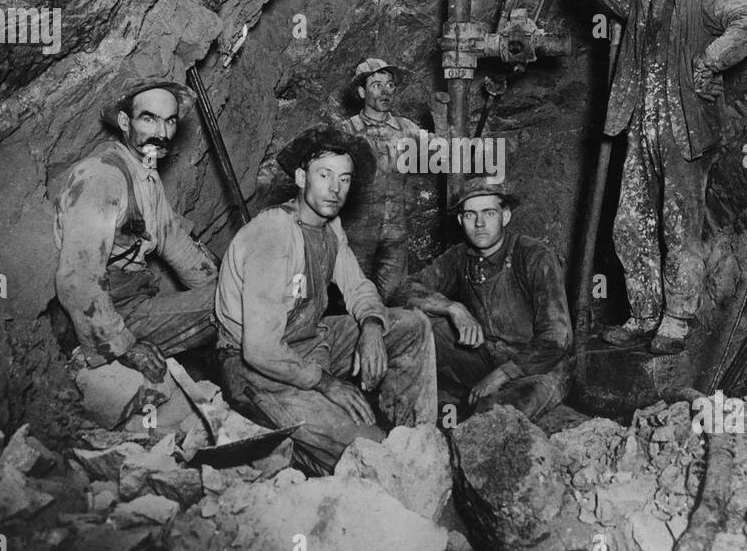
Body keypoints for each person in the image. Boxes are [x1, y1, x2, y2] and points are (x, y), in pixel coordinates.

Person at [564, 0, 747, 354]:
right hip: (639, 129)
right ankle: (644, 314)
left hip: (684, 128)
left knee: (680, 225)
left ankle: (677, 318)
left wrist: (712, 58)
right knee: (630, 224)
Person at [215, 125, 438, 475]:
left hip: (309, 342)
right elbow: (259, 349)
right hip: (258, 369)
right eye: (325, 175)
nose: (336, 189)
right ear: (303, 177)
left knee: (413, 325)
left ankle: (416, 439)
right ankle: (293, 451)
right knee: (371, 453)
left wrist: (372, 326)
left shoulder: (329, 226)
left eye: (345, 179)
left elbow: (358, 286)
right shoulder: (274, 232)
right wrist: (326, 384)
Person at [54, 76, 219, 428]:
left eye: (170, 121)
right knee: (240, 304)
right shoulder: (102, 179)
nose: (161, 131)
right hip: (108, 316)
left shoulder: (144, 174)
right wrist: (125, 345)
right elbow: (78, 278)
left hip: (135, 301)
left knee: (237, 296)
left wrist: (226, 282)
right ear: (126, 122)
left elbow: (175, 243)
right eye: (149, 119)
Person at [392, 178, 571, 421]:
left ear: (505, 216)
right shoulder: (459, 256)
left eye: (489, 213)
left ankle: (474, 405)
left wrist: (500, 375)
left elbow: (557, 340)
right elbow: (403, 290)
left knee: (494, 414)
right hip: (484, 354)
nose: (479, 223)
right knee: (415, 325)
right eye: (470, 215)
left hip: (536, 366)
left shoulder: (535, 257)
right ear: (460, 220)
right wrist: (452, 308)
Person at [340, 58, 427, 301]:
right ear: (361, 91)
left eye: (390, 85)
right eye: (377, 85)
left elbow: (442, 150)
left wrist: (440, 116)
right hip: (357, 234)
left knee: (396, 298)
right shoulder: (347, 132)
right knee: (354, 300)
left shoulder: (407, 129)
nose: (385, 91)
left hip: (396, 233)